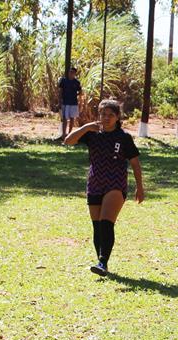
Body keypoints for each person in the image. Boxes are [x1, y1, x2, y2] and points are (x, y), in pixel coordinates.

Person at [64, 99, 144, 276]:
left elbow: (135, 163)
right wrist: (85, 127)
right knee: (97, 226)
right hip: (95, 183)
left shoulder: (123, 138)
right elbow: (68, 141)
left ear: (117, 117)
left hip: (115, 183)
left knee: (107, 222)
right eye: (103, 114)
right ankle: (101, 261)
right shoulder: (92, 134)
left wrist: (140, 187)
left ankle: (102, 262)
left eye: (110, 115)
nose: (106, 118)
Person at [58, 67, 82, 139]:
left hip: (73, 102)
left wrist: (75, 95)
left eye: (72, 72)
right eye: (70, 72)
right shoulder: (63, 80)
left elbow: (80, 91)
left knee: (72, 118)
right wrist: (59, 100)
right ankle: (63, 134)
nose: (70, 73)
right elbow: (60, 91)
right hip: (65, 102)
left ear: (75, 74)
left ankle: (70, 134)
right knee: (65, 118)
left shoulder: (76, 82)